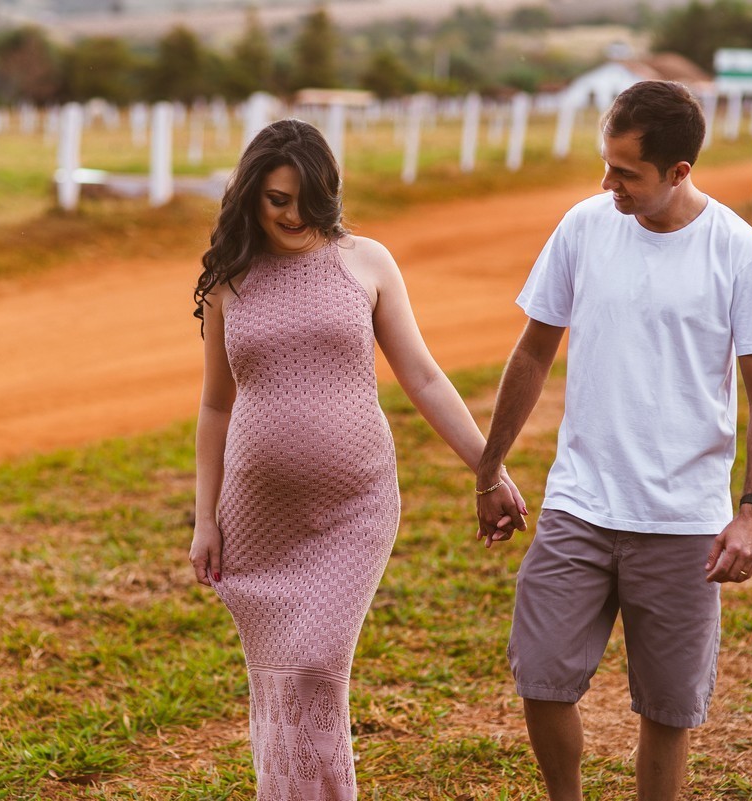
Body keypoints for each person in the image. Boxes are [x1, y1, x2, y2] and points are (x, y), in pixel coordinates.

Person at [474, 81, 752, 800]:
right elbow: (532, 353)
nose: (607, 183)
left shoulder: (740, 252)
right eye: (606, 164)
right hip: (579, 506)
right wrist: (488, 468)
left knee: (667, 709)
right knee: (542, 677)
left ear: (679, 172)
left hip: (683, 522)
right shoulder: (583, 227)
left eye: (626, 172)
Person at [189, 118, 524, 800]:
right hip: (258, 518)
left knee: (315, 663)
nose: (294, 214)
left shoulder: (365, 262)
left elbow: (423, 376)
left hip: (354, 508)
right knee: (285, 676)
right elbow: (216, 406)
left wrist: (487, 469)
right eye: (278, 198)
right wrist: (205, 518)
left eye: (308, 199)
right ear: (252, 195)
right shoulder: (231, 281)